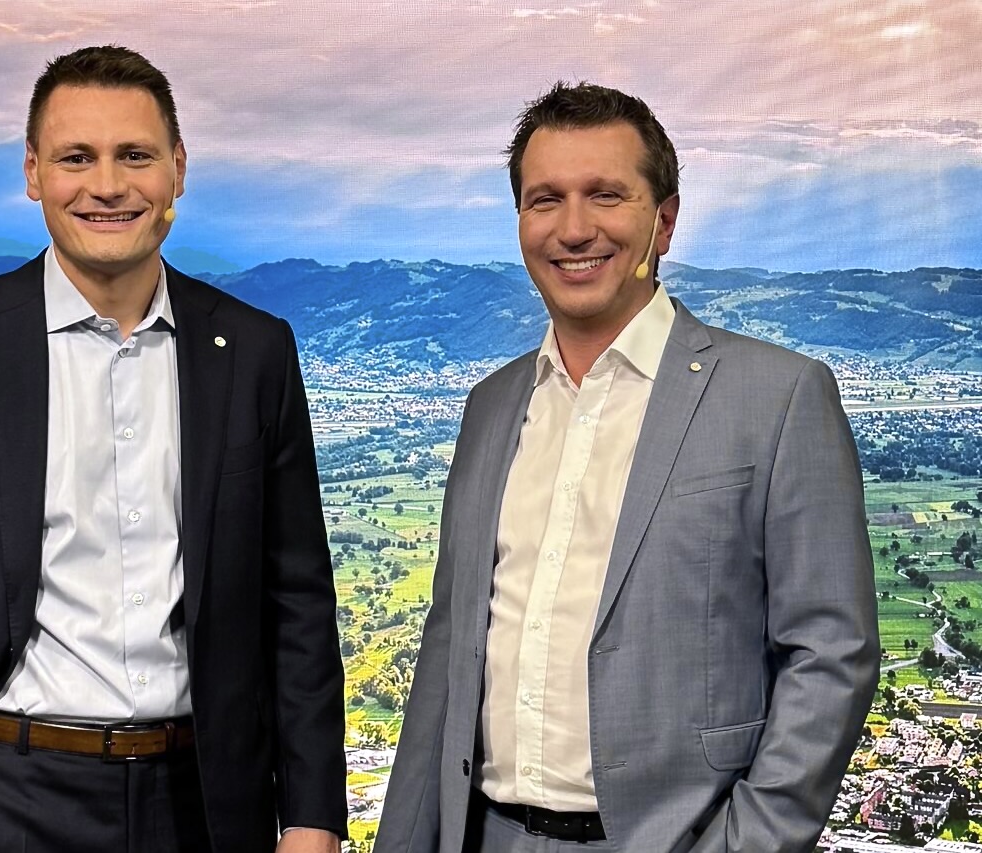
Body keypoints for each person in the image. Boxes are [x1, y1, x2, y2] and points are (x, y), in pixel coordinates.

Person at [0, 45, 345, 853]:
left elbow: (297, 601)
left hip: (207, 806)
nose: (107, 185)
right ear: (33, 173)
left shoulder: (255, 350)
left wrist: (315, 817)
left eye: (135, 156)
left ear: (179, 170)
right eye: (76, 157)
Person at [374, 81, 879, 853]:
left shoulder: (779, 397)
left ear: (664, 221)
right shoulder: (489, 407)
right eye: (546, 200)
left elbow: (831, 655)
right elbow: (448, 656)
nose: (574, 228)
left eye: (605, 195)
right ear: (521, 222)